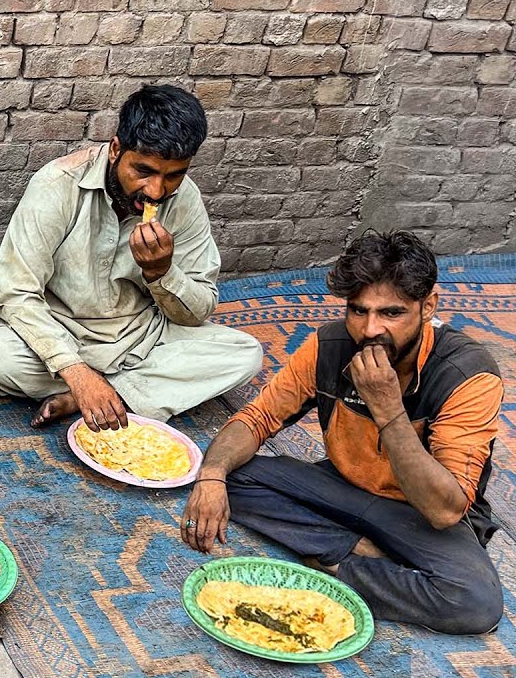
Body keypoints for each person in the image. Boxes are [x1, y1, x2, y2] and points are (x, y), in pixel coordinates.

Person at [181, 231, 504, 635]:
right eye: (358, 311)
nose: (370, 330)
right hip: (342, 487)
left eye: (391, 313)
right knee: (224, 472)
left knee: (474, 602)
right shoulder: (330, 345)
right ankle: (357, 552)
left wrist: (388, 409)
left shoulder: (467, 374)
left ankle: (334, 562)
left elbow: (445, 511)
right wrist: (212, 477)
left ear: (427, 307)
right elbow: (257, 419)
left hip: (419, 514)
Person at [0, 85, 262, 429]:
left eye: (173, 175)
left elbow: (199, 311)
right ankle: (116, 392)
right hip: (55, 329)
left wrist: (162, 274)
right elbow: (15, 293)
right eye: (144, 171)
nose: (156, 191)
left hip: (138, 337)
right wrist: (75, 371)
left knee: (244, 354)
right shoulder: (57, 185)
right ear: (116, 149)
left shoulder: (185, 200)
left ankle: (96, 397)